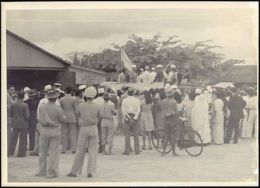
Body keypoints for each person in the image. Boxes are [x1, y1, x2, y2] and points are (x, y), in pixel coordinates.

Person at [67, 86, 101, 178]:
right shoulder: (97, 106)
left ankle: (75, 171)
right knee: (92, 150)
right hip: (93, 127)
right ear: (94, 95)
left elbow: (78, 115)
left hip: (83, 128)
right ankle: (91, 172)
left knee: (80, 150)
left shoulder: (81, 105)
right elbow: (99, 117)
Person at [35, 89, 64, 178]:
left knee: (42, 152)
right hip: (55, 130)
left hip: (44, 130)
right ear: (56, 98)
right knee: (53, 153)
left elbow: (39, 118)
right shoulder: (58, 108)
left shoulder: (42, 107)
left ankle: (41, 171)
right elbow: (61, 120)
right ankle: (51, 172)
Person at [30, 84, 58, 156]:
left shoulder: (42, 100)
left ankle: (37, 150)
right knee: (49, 138)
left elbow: (38, 111)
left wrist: (38, 119)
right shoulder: (57, 101)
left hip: (41, 121)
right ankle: (48, 151)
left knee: (39, 136)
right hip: (52, 122)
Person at [8, 91, 30, 157]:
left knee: (13, 139)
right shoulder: (25, 105)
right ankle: (21, 153)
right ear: (23, 97)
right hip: (23, 123)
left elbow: (10, 114)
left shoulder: (13, 104)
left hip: (15, 123)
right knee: (23, 139)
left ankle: (10, 152)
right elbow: (27, 115)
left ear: (17, 96)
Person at [121, 87, 141, 155]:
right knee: (136, 135)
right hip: (135, 117)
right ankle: (137, 150)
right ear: (134, 93)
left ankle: (127, 151)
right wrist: (135, 118)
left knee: (127, 135)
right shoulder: (137, 100)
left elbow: (123, 111)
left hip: (127, 117)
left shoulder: (124, 100)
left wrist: (129, 118)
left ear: (128, 93)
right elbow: (138, 110)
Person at [160, 87, 179, 156]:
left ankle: (164, 151)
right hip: (172, 119)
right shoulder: (174, 102)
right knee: (173, 136)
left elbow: (162, 110)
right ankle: (173, 152)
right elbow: (176, 112)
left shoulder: (163, 101)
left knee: (166, 135)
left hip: (166, 119)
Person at [60, 86, 78, 154]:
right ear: (71, 91)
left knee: (64, 134)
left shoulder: (62, 99)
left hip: (64, 117)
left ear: (65, 91)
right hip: (72, 117)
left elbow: (61, 108)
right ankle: (73, 149)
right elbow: (76, 110)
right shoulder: (73, 99)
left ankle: (63, 149)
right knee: (72, 134)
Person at [93, 87, 104, 153]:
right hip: (102, 118)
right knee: (102, 133)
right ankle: (101, 146)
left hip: (95, 118)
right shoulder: (104, 101)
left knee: (95, 133)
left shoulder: (94, 101)